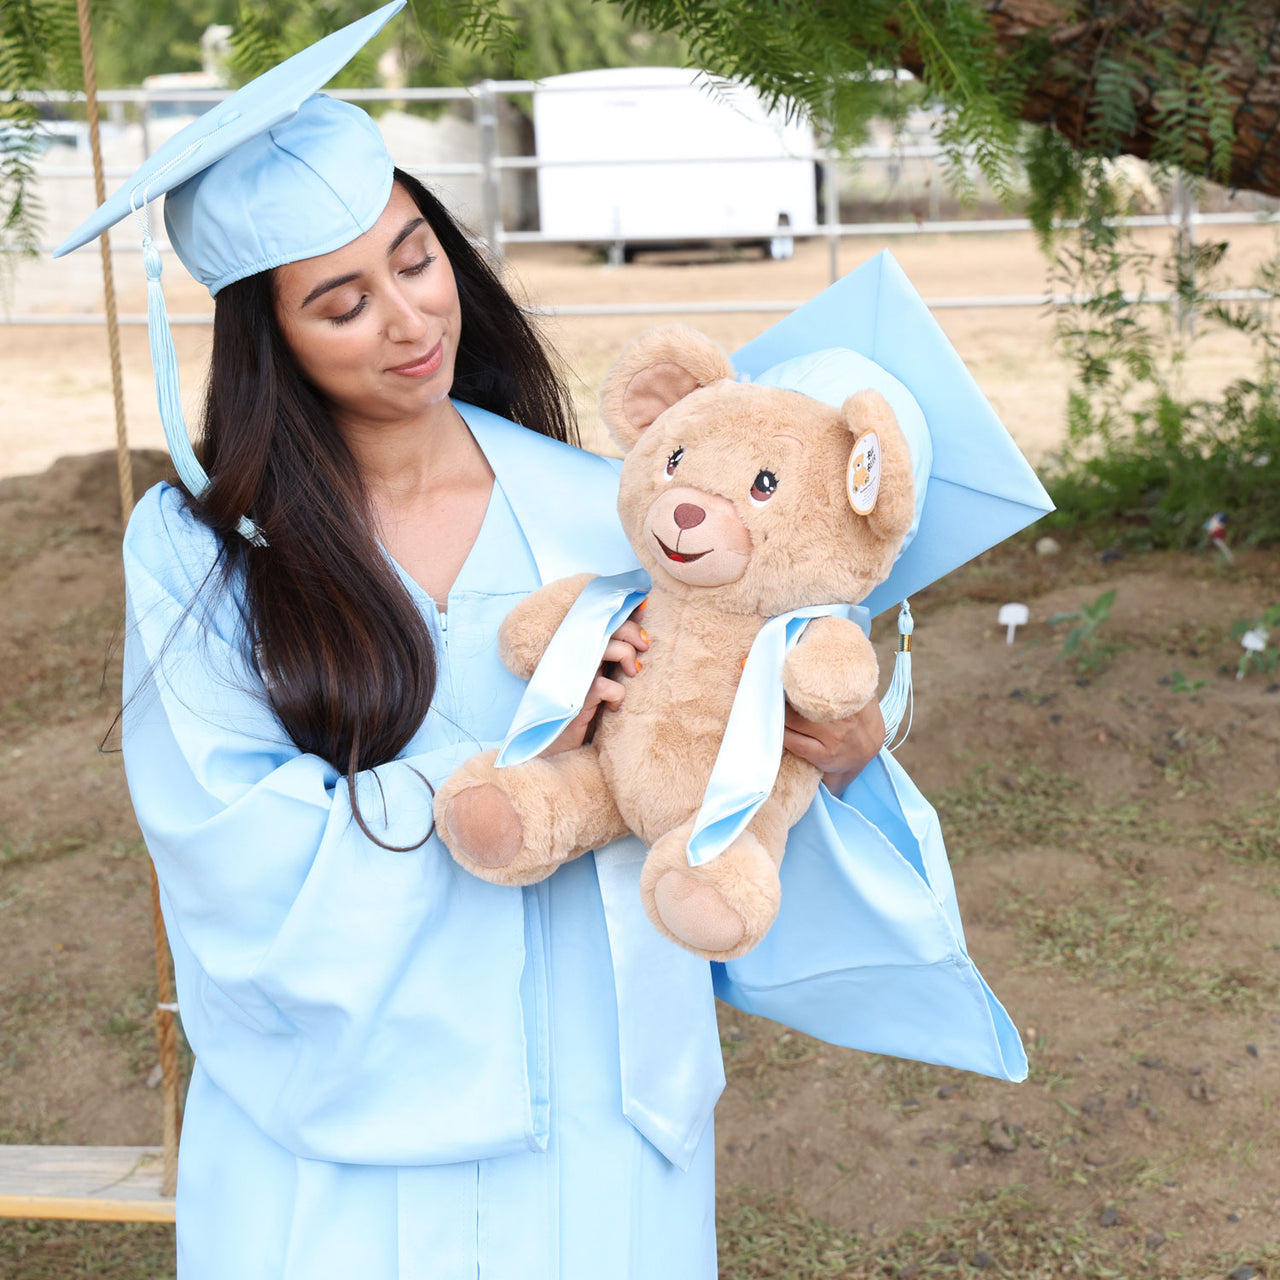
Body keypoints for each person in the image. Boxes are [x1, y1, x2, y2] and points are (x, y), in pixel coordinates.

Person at [57, 6, 1035, 1276]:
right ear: (270, 337)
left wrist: (839, 755)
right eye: (343, 300)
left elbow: (721, 782)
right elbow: (224, 840)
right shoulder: (202, 552)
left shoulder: (606, 508)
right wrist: (519, 753)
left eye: (416, 258)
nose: (409, 319)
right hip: (344, 1133)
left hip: (600, 1097)